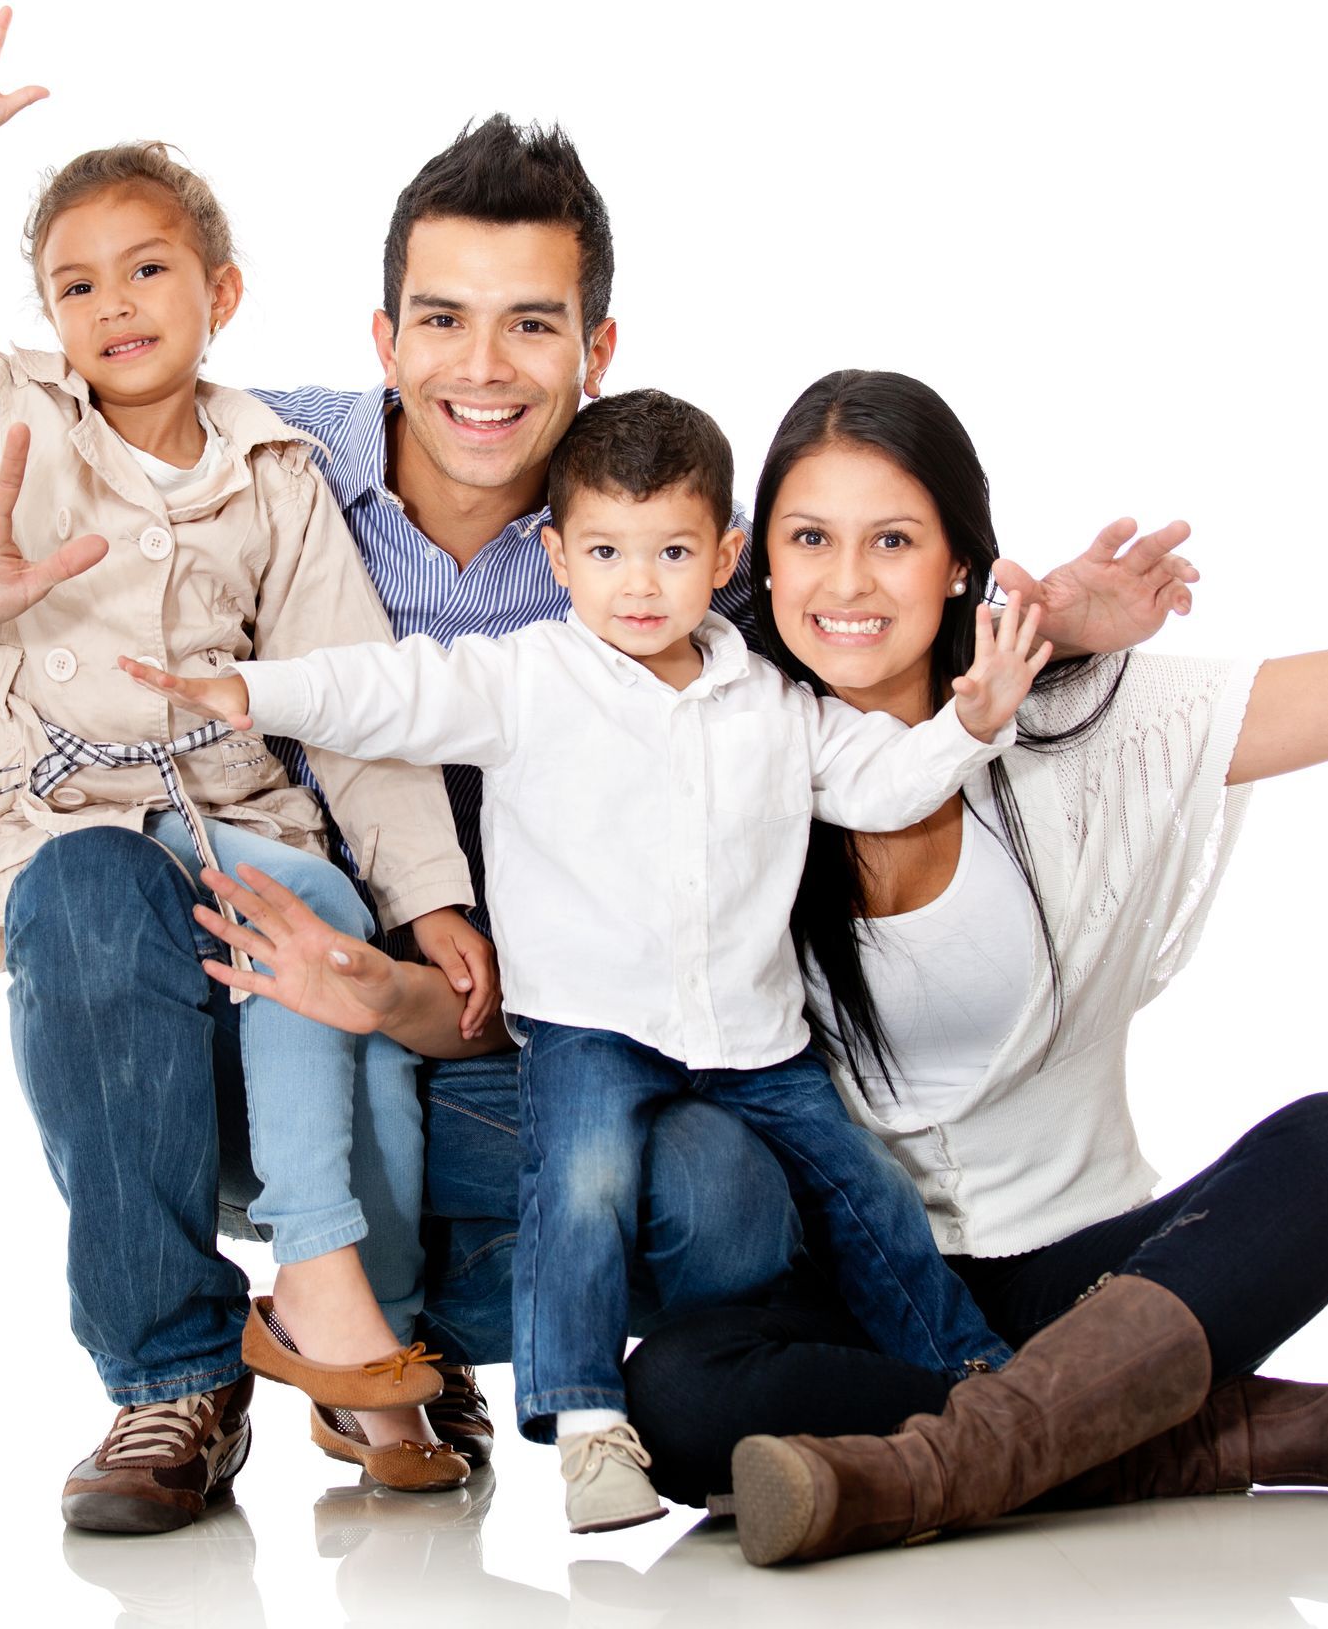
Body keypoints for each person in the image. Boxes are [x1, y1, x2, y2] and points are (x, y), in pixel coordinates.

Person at [0, 9, 1194, 1529]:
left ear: (596, 347)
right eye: (441, 318)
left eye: (533, 325)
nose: (481, 369)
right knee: (87, 879)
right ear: (382, 336)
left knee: (727, 1193)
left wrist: (1029, 629)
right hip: (233, 1049)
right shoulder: (250, 461)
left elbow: (850, 649)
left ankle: (401, 1346)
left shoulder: (658, 562)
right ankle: (174, 1375)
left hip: (512, 1067)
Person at [607, 183, 1328, 1565]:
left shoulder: (1091, 727)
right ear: (755, 564)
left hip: (1094, 1276)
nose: (848, 580)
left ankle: (957, 1459)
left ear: (963, 560)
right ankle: (1221, 1435)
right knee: (670, 1388)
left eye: (893, 538)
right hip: (865, 1287)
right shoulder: (713, 743)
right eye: (809, 537)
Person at [0, 0, 512, 1516]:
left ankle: (357, 1335)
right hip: (66, 835)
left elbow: (357, 701)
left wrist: (430, 901)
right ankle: (170, 1380)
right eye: (75, 284)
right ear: (45, 314)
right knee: (93, 882)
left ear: (221, 290)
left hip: (248, 833)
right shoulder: (3, 409)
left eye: (147, 270)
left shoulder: (274, 468)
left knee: (340, 975)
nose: (114, 305)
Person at [120, 387, 1055, 1529]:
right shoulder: (527, 678)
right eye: (607, 552)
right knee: (582, 1190)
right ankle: (588, 1427)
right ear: (558, 557)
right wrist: (247, 693)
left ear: (725, 557)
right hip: (589, 1027)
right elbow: (386, 689)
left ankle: (978, 1377)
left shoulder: (769, 699)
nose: (639, 584)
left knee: (867, 1197)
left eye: (670, 552)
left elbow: (879, 781)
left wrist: (973, 723)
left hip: (753, 1036)